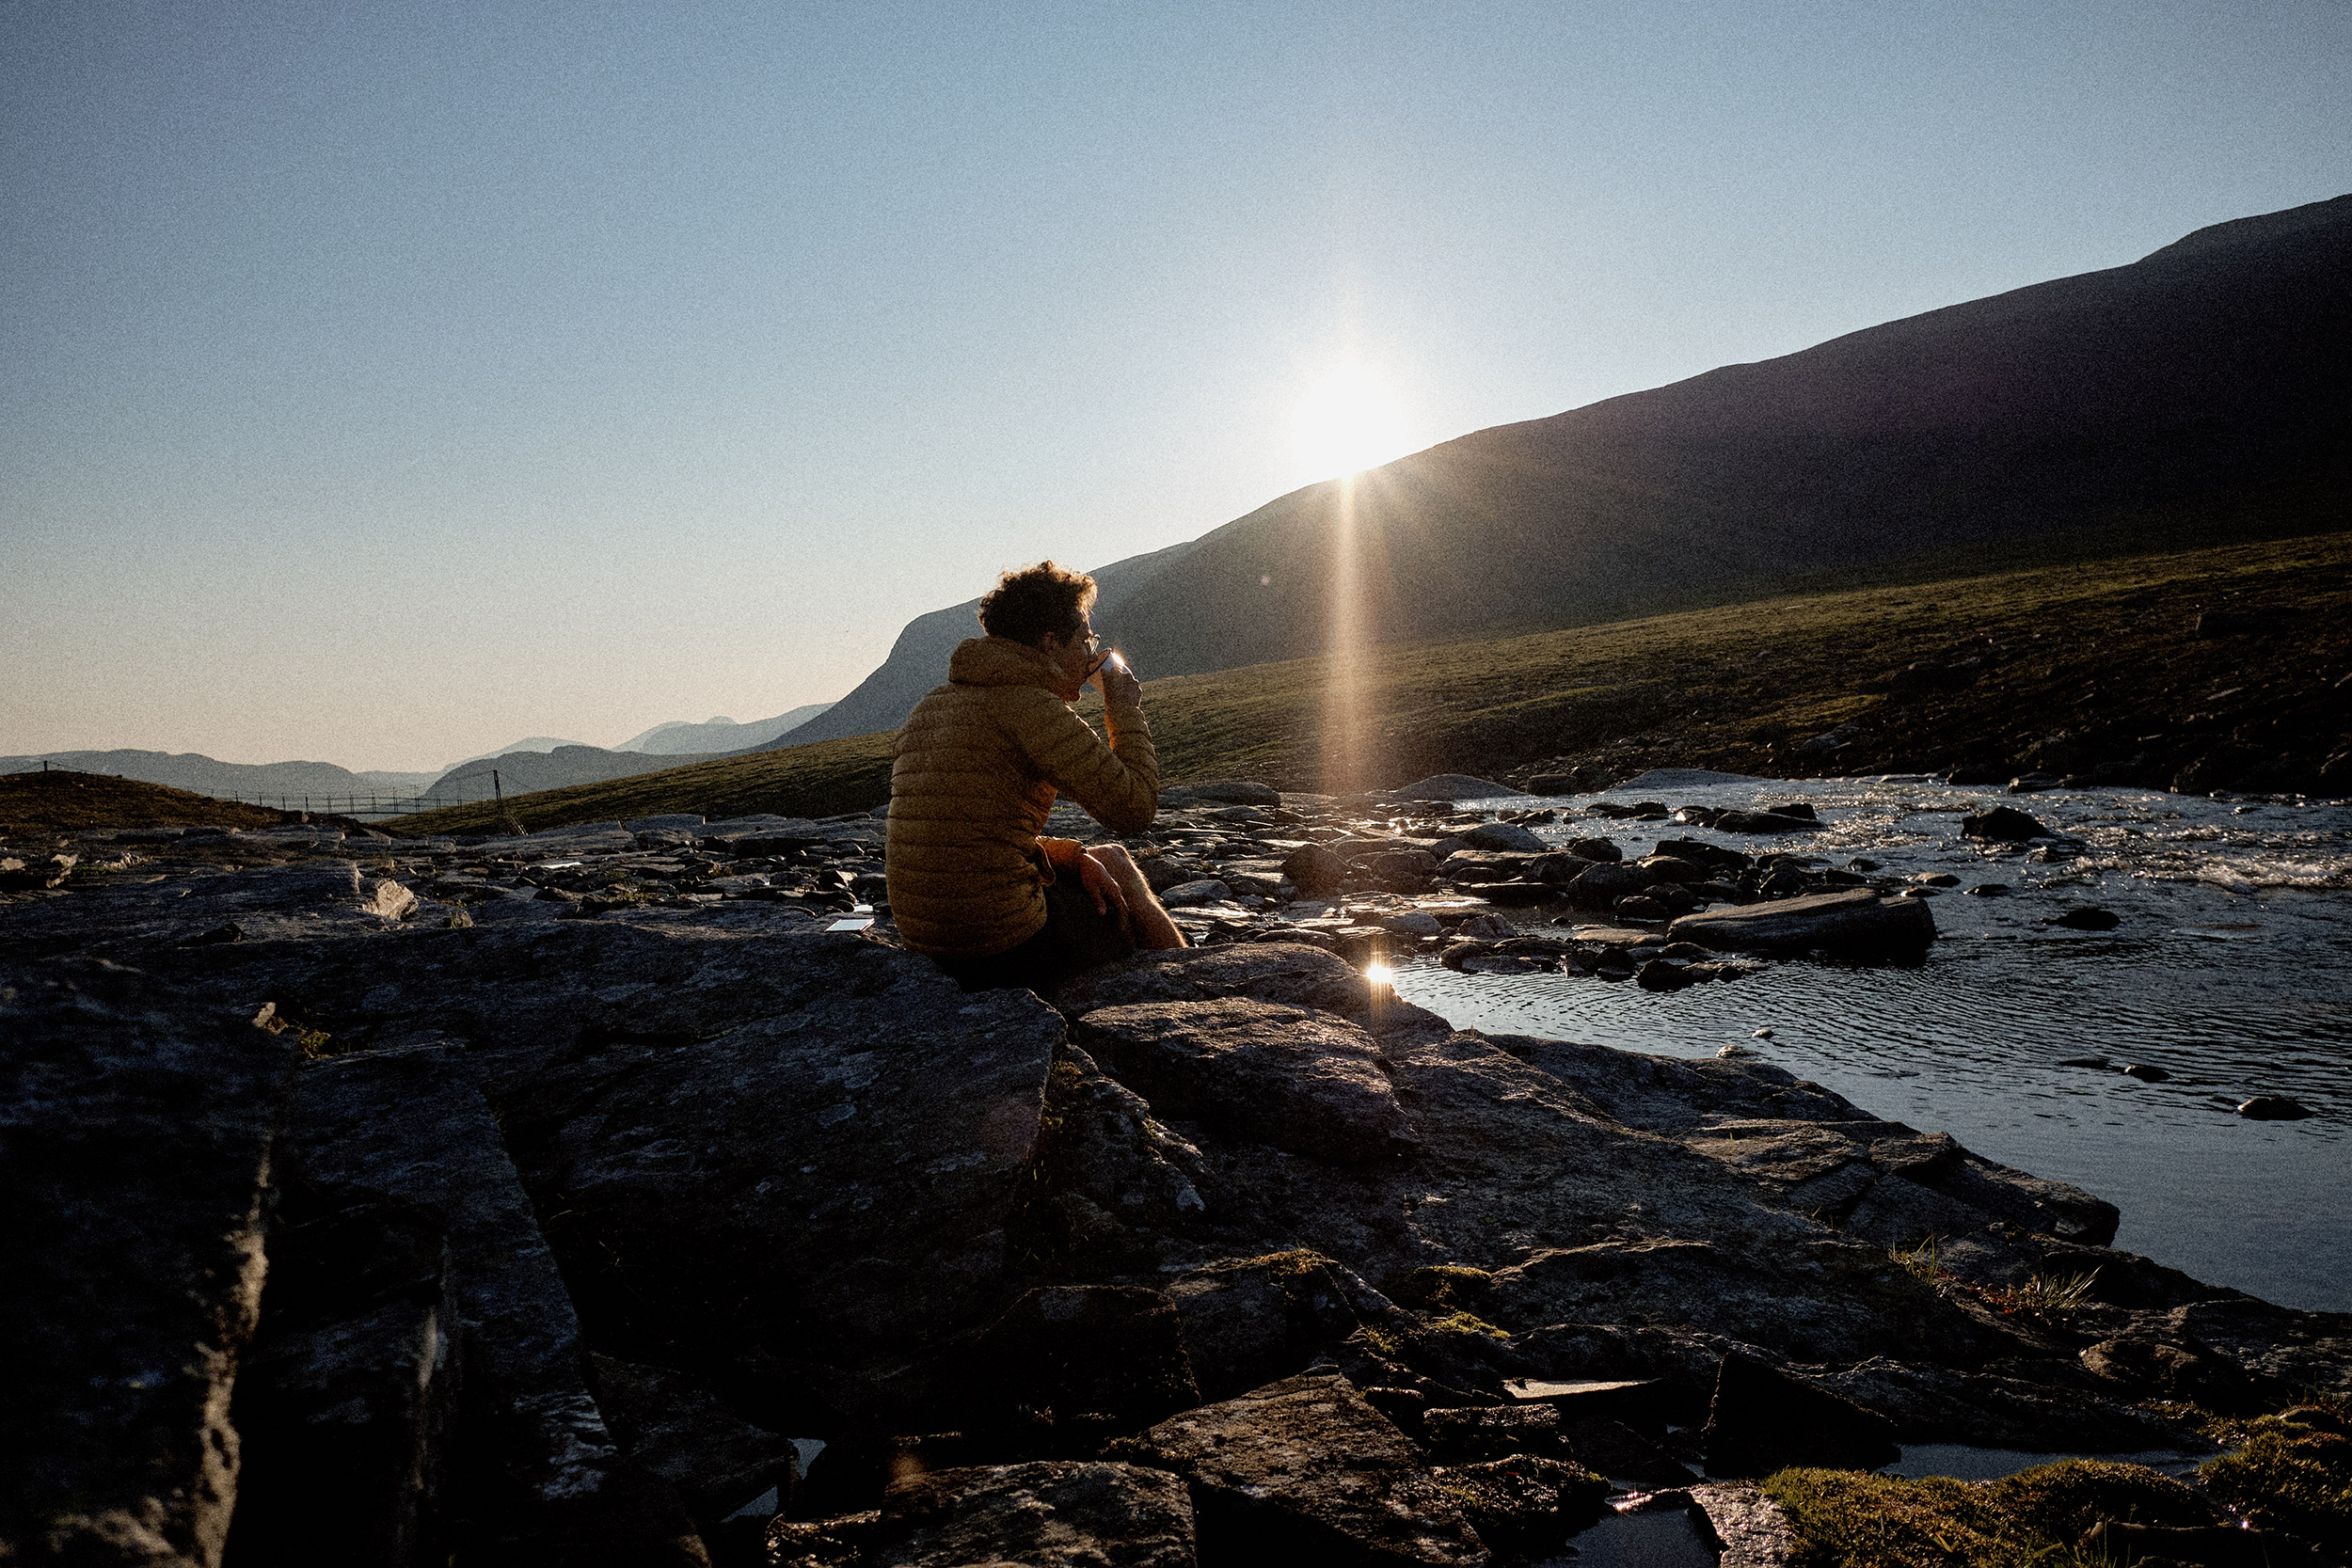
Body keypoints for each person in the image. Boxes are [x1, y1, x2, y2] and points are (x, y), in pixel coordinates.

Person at [885, 560, 1185, 989]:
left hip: (926, 935)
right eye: (1084, 640)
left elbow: (969, 829)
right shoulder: (1032, 707)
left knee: (1099, 859)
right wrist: (1123, 708)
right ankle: (1192, 985)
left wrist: (1070, 856)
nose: (1091, 654)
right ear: (1049, 644)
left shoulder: (932, 705)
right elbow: (1134, 809)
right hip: (1004, 940)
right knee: (1118, 861)